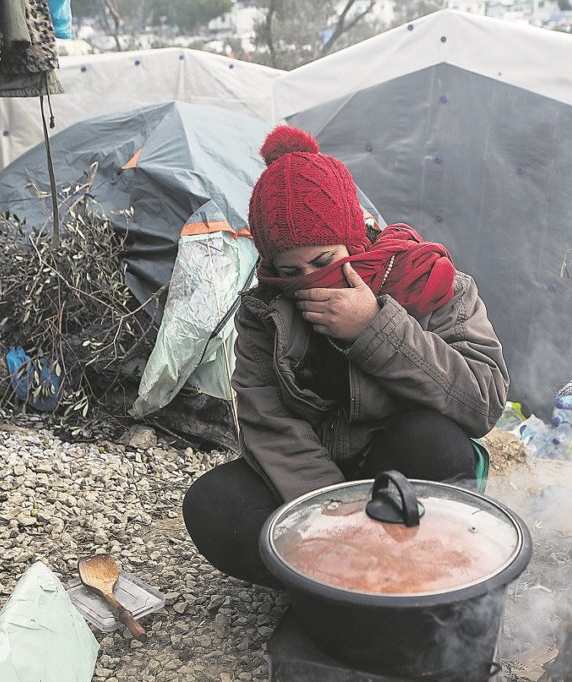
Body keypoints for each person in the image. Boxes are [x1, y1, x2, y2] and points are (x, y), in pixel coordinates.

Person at [183, 126, 508, 586]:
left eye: (323, 261)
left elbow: (482, 402)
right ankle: (337, 581)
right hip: (315, 483)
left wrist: (374, 327)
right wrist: (333, 519)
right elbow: (269, 426)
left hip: (400, 468)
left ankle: (395, 575)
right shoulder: (265, 313)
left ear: (354, 240)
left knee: (435, 444)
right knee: (214, 502)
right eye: (289, 270)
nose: (310, 281)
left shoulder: (432, 282)